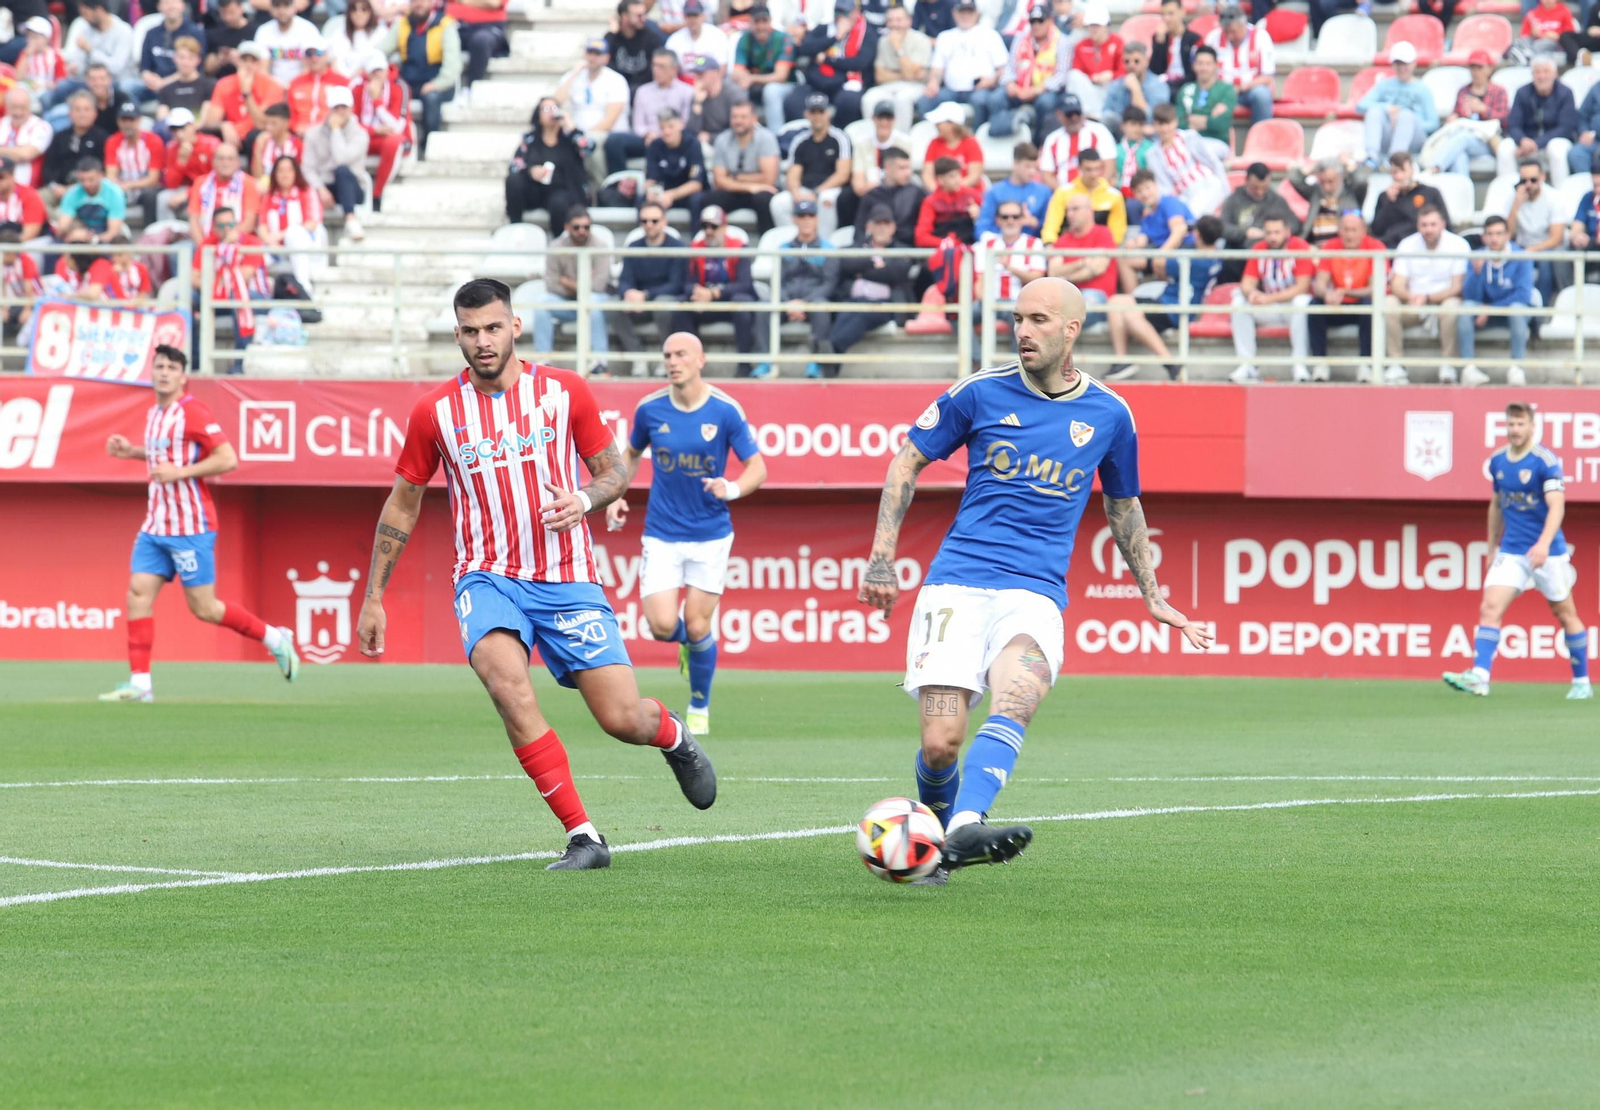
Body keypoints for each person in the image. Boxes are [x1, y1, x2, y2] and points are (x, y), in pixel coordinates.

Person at [356, 278, 719, 872]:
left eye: (492, 327)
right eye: (470, 331)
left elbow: (612, 473)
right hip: (485, 576)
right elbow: (403, 502)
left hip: (566, 576)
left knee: (622, 719)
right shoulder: (434, 413)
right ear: (457, 335)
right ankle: (584, 836)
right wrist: (374, 596)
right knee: (508, 686)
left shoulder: (564, 392)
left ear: (514, 326)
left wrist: (583, 498)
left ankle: (672, 736)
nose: (482, 341)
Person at [858, 276, 1209, 882]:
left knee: (1018, 695)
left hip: (1034, 594)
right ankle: (940, 835)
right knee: (942, 744)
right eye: (1018, 318)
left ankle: (966, 823)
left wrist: (1153, 594)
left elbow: (1123, 506)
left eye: (1039, 320)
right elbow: (906, 461)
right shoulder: (979, 394)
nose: (1022, 330)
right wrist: (882, 558)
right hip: (957, 586)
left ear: (1072, 330)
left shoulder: (1109, 413)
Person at [99, 345, 300, 704]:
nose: (163, 372)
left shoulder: (193, 412)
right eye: (158, 366)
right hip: (156, 525)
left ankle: (274, 638)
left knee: (204, 608)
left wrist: (180, 473)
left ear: (182, 376)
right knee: (137, 595)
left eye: (171, 367)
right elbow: (167, 452)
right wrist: (131, 452)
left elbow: (227, 458)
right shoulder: (156, 414)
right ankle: (141, 684)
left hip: (190, 525)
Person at [608, 331, 768, 733]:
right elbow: (629, 454)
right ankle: (688, 647)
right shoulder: (650, 410)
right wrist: (614, 493)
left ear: (701, 360)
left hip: (711, 535)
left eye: (681, 354)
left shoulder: (725, 411)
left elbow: (758, 469)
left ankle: (700, 705)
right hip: (662, 532)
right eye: (667, 355)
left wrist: (730, 488)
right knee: (662, 626)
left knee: (699, 625)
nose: (673, 361)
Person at [1442, 401, 1590, 700]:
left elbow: (1557, 505)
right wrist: (1492, 545)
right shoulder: (1497, 461)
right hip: (1511, 550)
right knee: (1489, 607)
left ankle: (1582, 681)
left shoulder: (1545, 461)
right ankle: (1480, 677)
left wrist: (1544, 543)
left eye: (1520, 424)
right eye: (1510, 424)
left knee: (1564, 613)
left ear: (1532, 427)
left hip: (1548, 551)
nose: (1515, 430)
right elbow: (1496, 505)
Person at [1105, 210, 1219, 380]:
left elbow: (1159, 261)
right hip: (1167, 301)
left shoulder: (1198, 259)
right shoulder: (1215, 257)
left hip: (1173, 308)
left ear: (1198, 234)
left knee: (1129, 314)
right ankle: (1122, 361)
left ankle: (1169, 363)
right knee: (1116, 301)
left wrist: (1177, 235)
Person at [679, 203, 768, 376]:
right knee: (681, 309)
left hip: (729, 299)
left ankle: (744, 364)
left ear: (724, 227)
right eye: (705, 226)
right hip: (704, 302)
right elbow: (686, 283)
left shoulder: (738, 248)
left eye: (714, 226)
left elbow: (745, 284)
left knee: (743, 304)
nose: (709, 231)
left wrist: (714, 293)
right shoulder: (696, 249)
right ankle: (689, 364)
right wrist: (697, 292)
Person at [1385, 205, 1468, 384]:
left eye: (1432, 224)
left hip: (1443, 301)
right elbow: (1396, 283)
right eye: (1424, 225)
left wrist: (1428, 297)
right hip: (1414, 303)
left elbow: (1457, 287)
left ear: (1442, 225)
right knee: (1388, 303)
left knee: (1451, 307)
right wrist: (1409, 296)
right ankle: (1395, 364)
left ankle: (1448, 365)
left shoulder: (1458, 244)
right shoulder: (1407, 244)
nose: (1428, 229)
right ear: (1418, 226)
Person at [1229, 213, 1313, 382]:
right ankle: (1247, 365)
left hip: (1291, 307)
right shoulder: (1259, 249)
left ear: (1287, 232)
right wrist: (1252, 294)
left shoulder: (1300, 247)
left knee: (1302, 303)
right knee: (1239, 302)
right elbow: (1247, 282)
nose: (1273, 237)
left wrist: (1269, 299)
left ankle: (1299, 364)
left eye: (1277, 232)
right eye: (1269, 233)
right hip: (1271, 306)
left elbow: (1302, 287)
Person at [534, 206, 615, 376]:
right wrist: (582, 286)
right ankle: (543, 359)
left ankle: (600, 362)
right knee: (541, 303)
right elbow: (551, 284)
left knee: (593, 301)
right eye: (577, 227)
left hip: (596, 303)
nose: (582, 231)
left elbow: (599, 285)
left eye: (586, 227)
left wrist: (568, 283)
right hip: (568, 302)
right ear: (567, 227)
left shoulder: (601, 246)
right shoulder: (556, 247)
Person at [829, 202, 913, 367]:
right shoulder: (857, 247)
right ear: (869, 226)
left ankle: (831, 348)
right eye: (878, 223)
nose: (882, 228)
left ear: (893, 227)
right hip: (854, 301)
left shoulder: (902, 250)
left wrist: (862, 269)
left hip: (885, 305)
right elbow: (846, 264)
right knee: (847, 312)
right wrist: (875, 265)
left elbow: (897, 272)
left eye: (886, 224)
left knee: (863, 314)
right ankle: (832, 357)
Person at [1457, 215, 1534, 387]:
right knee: (1465, 309)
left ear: (1507, 235)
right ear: (1484, 237)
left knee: (1517, 309)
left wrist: (1491, 308)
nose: (1494, 238)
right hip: (1485, 312)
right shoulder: (1477, 257)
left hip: (1509, 312)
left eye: (1499, 233)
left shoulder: (1521, 257)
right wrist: (1476, 274)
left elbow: (1523, 295)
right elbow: (1471, 296)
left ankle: (1516, 367)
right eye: (1490, 234)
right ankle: (1468, 369)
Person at [377, 0, 459, 160]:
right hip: (410, 81)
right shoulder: (402, 24)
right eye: (414, 1)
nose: (418, 4)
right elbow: (381, 51)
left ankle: (429, 147)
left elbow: (452, 67)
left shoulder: (445, 25)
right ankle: (399, 143)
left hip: (437, 81)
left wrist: (435, 84)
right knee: (393, 92)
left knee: (431, 98)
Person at [1308, 209, 1383, 381]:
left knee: (1370, 307)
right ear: (1339, 230)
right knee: (1314, 306)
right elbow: (1319, 282)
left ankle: (1366, 365)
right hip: (1337, 303)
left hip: (1360, 304)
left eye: (1354, 230)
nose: (1349, 235)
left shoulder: (1375, 247)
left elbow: (1375, 288)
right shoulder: (1330, 247)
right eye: (1346, 230)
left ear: (1364, 231)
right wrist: (1327, 294)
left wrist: (1345, 292)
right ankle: (1320, 363)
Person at [981, 2, 1069, 139]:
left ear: (1050, 21)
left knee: (1046, 103)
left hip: (1044, 91)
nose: (1036, 25)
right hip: (1020, 89)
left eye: (1040, 21)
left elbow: (1062, 76)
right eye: (1032, 21)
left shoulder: (1062, 41)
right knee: (995, 98)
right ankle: (1001, 136)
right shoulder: (1021, 38)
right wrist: (1010, 84)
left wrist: (1037, 90)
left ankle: (1038, 144)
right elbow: (1009, 68)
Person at [786, 1, 878, 128]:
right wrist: (835, 37)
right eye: (837, 12)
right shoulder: (825, 29)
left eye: (845, 13)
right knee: (794, 101)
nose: (840, 16)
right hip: (816, 84)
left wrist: (827, 60)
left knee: (849, 101)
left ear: (855, 13)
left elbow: (859, 63)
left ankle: (839, 138)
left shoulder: (866, 33)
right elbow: (805, 48)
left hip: (845, 84)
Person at [694, 99, 779, 231]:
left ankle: (766, 246)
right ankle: (710, 243)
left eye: (743, 117)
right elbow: (719, 181)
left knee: (764, 198)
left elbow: (769, 179)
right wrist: (751, 186)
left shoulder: (766, 138)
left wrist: (738, 178)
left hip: (759, 193)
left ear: (754, 119)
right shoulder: (722, 139)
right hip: (735, 191)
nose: (738, 121)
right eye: (735, 117)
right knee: (709, 199)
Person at [776, 198, 840, 375]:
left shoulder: (828, 249)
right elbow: (777, 281)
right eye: (801, 215)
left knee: (821, 307)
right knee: (764, 307)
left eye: (810, 215)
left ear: (817, 219)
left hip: (814, 301)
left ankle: (816, 362)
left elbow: (830, 283)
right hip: (787, 301)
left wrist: (805, 303)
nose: (806, 220)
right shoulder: (783, 248)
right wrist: (787, 302)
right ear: (794, 220)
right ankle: (765, 360)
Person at [771, 93, 851, 233]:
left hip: (829, 189)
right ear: (806, 114)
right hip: (805, 189)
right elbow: (793, 174)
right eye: (813, 112)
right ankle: (793, 244)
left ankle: (824, 247)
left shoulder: (840, 138)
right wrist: (796, 193)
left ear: (828, 113)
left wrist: (816, 192)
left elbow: (842, 175)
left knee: (826, 201)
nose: (817, 116)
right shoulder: (800, 140)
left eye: (821, 111)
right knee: (779, 203)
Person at [916, 0, 1006, 123]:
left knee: (980, 101)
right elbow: (937, 67)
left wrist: (992, 80)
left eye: (969, 11)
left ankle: (977, 138)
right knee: (926, 100)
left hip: (980, 89)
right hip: (951, 90)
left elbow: (1004, 68)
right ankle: (930, 138)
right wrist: (933, 83)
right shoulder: (945, 37)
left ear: (977, 13)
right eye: (962, 11)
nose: (965, 15)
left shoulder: (990, 34)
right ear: (954, 13)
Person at [608, 50, 693, 178]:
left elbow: (685, 122)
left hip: (674, 137)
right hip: (648, 138)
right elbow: (638, 125)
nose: (656, 70)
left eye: (661, 67)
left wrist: (663, 134)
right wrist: (648, 134)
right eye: (654, 65)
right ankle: (619, 186)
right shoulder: (643, 91)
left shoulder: (687, 92)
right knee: (614, 141)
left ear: (674, 69)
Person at [505, 98, 587, 229]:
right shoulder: (530, 139)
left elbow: (588, 148)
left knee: (559, 203)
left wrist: (571, 127)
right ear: (538, 115)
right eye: (546, 109)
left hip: (563, 191)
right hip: (535, 191)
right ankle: (515, 227)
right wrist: (530, 171)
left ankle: (558, 243)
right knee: (513, 181)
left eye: (554, 109)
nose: (551, 113)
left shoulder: (570, 139)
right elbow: (515, 165)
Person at [1425, 51, 1509, 177]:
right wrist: (1453, 118)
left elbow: (1505, 119)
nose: (1475, 72)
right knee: (1459, 156)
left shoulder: (1499, 91)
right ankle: (1463, 192)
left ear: (1489, 69)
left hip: (1489, 141)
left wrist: (1483, 110)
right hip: (1464, 139)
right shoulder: (1463, 91)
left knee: (1462, 138)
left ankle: (1434, 168)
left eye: (1479, 68)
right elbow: (1457, 114)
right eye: (1472, 67)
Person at [303, 86, 370, 239]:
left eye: (344, 107)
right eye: (336, 107)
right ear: (329, 109)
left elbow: (342, 158)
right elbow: (307, 168)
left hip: (352, 188)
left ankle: (351, 220)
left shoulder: (360, 134)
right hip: (325, 186)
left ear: (351, 108)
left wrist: (335, 130)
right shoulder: (313, 134)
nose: (340, 111)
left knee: (342, 171)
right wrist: (320, 188)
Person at [1358, 41, 1437, 166]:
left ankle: (1395, 162)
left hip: (1414, 138)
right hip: (1389, 133)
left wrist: (1406, 122)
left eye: (1405, 63)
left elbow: (1433, 123)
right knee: (1374, 111)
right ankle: (1371, 157)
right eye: (1398, 63)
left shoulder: (1423, 90)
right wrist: (1386, 108)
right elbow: (1360, 106)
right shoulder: (1384, 85)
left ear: (1413, 64)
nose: (1401, 68)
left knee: (1406, 116)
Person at [1148, 101, 1227, 220]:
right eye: (1159, 124)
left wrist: (1226, 190)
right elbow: (1164, 185)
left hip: (1206, 183)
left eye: (1167, 123)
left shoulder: (1189, 137)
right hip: (1184, 194)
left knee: (1191, 217)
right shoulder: (1153, 154)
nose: (1164, 129)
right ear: (1154, 125)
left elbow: (1213, 159)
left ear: (1175, 122)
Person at [1507, 56, 1577, 187]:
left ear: (1555, 73)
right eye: (1537, 72)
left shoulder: (1565, 93)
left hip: (1554, 140)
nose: (1541, 76)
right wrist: (1522, 139)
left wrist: (1536, 143)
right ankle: (1508, 193)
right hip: (1527, 141)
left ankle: (1561, 193)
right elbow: (1514, 124)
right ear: (1532, 74)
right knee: (1505, 148)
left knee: (1557, 149)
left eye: (1546, 71)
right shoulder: (1522, 92)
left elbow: (1566, 128)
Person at [1046, 190, 1115, 323]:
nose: (1069, 214)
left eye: (1075, 209)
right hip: (1067, 297)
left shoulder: (1103, 233)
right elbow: (1053, 272)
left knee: (1068, 317)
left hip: (1097, 296)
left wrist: (1066, 278)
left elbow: (1097, 268)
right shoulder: (1063, 240)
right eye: (1068, 210)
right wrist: (1082, 263)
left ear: (1090, 210)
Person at [861, 3, 930, 134]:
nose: (894, 24)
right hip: (889, 85)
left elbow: (913, 75)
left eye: (898, 20)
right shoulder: (883, 41)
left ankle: (900, 141)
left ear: (909, 21)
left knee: (902, 99)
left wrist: (898, 47)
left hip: (915, 86)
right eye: (891, 20)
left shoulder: (921, 40)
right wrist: (905, 73)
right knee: (868, 98)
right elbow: (879, 76)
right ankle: (874, 139)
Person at [1507, 155, 1567, 305]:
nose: (1528, 184)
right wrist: (1515, 206)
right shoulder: (1514, 197)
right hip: (1521, 247)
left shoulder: (1554, 198)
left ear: (1542, 177)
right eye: (1523, 180)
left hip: (1546, 247)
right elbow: (1508, 234)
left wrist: (1531, 250)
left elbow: (1556, 238)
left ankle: (1542, 309)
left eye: (1533, 180)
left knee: (1545, 261)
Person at [258, 153, 324, 290]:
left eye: (289, 170)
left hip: (304, 245)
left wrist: (282, 235)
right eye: (281, 170)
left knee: (295, 233)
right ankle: (260, 294)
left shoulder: (307, 192)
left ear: (296, 172)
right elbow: (262, 226)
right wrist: (272, 242)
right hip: (275, 247)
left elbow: (311, 223)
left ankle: (304, 288)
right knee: (253, 256)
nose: (285, 174)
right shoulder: (269, 195)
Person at [204, 41, 285, 150]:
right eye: (244, 60)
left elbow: (262, 123)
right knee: (206, 133)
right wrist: (223, 125)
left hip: (254, 134)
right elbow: (211, 120)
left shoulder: (272, 85)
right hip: (231, 133)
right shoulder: (224, 84)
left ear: (259, 64)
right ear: (238, 62)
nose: (248, 65)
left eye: (253, 61)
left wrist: (247, 93)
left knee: (256, 135)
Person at [1116, 167, 1186, 290]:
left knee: (1159, 262)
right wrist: (1133, 244)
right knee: (1124, 260)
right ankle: (1132, 303)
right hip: (1158, 255)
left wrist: (1162, 254)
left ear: (1156, 185)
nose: (1145, 194)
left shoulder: (1169, 202)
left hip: (1182, 251)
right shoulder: (1147, 216)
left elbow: (1179, 230)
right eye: (1139, 191)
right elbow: (1143, 239)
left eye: (1147, 187)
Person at [1203, 4, 1273, 126]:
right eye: (1226, 31)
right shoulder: (1213, 38)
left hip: (1249, 89)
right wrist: (1224, 90)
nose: (1230, 35)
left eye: (1233, 31)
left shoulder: (1261, 37)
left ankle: (1261, 135)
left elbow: (1267, 77)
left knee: (1262, 95)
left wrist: (1242, 87)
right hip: (1220, 90)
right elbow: (1204, 70)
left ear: (1243, 25)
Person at [60, 0, 138, 105]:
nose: (84, 18)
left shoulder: (123, 31)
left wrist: (90, 50)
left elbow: (116, 68)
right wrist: (76, 68)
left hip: (116, 82)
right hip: (89, 81)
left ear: (99, 10)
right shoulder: (85, 29)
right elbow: (81, 63)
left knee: (120, 87)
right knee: (62, 87)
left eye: (86, 14)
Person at [40, 91, 110, 205]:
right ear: (70, 114)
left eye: (86, 109)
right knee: (38, 198)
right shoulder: (59, 137)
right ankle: (60, 219)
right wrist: (55, 187)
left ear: (95, 113)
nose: (82, 114)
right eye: (77, 109)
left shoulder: (103, 138)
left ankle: (64, 220)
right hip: (59, 189)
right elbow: (49, 167)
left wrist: (78, 187)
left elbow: (105, 170)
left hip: (89, 189)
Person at [1041, 146, 1123, 242]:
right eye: (1089, 169)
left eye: (1097, 169)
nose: (1094, 174)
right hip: (1068, 249)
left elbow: (1117, 232)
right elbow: (1051, 225)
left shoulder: (1114, 196)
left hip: (1101, 251)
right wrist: (1049, 244)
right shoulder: (1063, 192)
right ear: (1079, 168)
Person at [732, 6, 796, 129]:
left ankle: (776, 135)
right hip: (755, 84)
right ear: (750, 23)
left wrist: (751, 78)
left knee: (771, 90)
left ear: (770, 21)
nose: (761, 26)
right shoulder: (745, 38)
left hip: (786, 86)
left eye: (764, 21)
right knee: (738, 88)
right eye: (757, 22)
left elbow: (780, 76)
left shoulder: (782, 38)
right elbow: (736, 72)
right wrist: (745, 78)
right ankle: (742, 130)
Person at [1369, 151, 1446, 249]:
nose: (1399, 176)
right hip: (1391, 248)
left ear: (1412, 170)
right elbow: (1376, 230)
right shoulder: (1384, 197)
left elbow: (1445, 224)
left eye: (1403, 170)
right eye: (1395, 172)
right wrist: (1388, 202)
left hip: (1421, 246)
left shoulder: (1430, 193)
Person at [1036, 93, 1115, 187]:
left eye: (1077, 113)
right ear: (1059, 115)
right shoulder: (1052, 139)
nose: (1074, 118)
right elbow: (1047, 174)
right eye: (1069, 114)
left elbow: (1109, 165)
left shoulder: (1099, 131)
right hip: (1064, 195)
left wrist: (1098, 191)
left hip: (1096, 192)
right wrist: (1064, 194)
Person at [975, 140, 1051, 237]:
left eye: (1035, 167)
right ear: (1015, 164)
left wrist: (1035, 223)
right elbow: (982, 228)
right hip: (1001, 247)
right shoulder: (995, 192)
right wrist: (1006, 235)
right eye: (1027, 166)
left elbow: (1050, 229)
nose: (1032, 172)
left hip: (1033, 248)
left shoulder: (1043, 192)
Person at [853, 144, 924, 245]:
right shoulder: (872, 195)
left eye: (908, 168)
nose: (907, 173)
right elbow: (860, 229)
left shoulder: (916, 193)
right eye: (902, 168)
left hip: (907, 252)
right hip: (876, 250)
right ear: (887, 167)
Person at [188, 141, 258, 240]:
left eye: (230, 159)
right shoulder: (201, 183)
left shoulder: (248, 183)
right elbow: (194, 220)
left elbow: (249, 223)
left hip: (238, 242)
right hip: (206, 243)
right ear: (213, 161)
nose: (225, 163)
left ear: (238, 162)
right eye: (221, 159)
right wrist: (203, 247)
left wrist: (224, 245)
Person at [141, 0, 208, 99]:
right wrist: (149, 79)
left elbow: (196, 67)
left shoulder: (195, 33)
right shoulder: (151, 33)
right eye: (167, 2)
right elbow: (144, 67)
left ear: (183, 5)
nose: (171, 6)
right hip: (153, 84)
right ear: (159, 7)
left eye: (175, 2)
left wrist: (164, 83)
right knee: (128, 87)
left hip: (181, 83)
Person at [1100, 40, 1167, 138]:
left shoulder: (1158, 86)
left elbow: (1151, 118)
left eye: (1136, 61)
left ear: (1146, 62)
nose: (1131, 65)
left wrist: (1135, 89)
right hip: (1123, 132)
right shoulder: (1116, 85)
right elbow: (1106, 114)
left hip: (1148, 136)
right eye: (1127, 61)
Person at [446, 0, 510, 103]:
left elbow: (493, 3)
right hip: (456, 24)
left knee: (480, 41)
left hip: (489, 27)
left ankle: (470, 89)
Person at [1220, 160, 1291, 253]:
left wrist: (1274, 233)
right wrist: (1244, 232)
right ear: (1247, 181)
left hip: (1268, 255)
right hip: (1239, 253)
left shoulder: (1277, 201)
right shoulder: (1233, 200)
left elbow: (1293, 224)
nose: (1259, 192)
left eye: (1264, 188)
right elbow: (1221, 228)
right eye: (1255, 188)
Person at [643, 106, 704, 212]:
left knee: (696, 200)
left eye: (670, 127)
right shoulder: (655, 146)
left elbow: (696, 184)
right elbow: (650, 180)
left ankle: (695, 229)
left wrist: (671, 195)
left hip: (686, 193)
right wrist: (653, 193)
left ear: (680, 125)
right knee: (643, 201)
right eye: (662, 128)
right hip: (664, 193)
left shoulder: (692, 144)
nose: (666, 131)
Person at [1290, 158, 1363, 247]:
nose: (1326, 187)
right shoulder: (1315, 193)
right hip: (1316, 248)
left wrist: (1349, 167)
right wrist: (1312, 169)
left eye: (1331, 181)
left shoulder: (1351, 194)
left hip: (1342, 250)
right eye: (1322, 182)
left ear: (1341, 177)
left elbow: (1362, 181)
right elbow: (1294, 179)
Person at [850, 100, 913, 202]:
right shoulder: (861, 143)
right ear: (873, 119)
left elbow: (904, 175)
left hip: (896, 190)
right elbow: (858, 181)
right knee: (846, 197)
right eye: (880, 118)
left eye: (888, 118)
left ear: (894, 120)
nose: (884, 122)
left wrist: (876, 185)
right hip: (868, 192)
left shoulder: (905, 142)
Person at [1069, 1, 1122, 120]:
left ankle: (1099, 116)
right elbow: (1077, 71)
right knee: (1073, 76)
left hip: (1110, 88)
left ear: (1106, 26)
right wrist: (1093, 77)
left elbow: (1124, 70)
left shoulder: (1118, 42)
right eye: (1091, 26)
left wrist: (1111, 75)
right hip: (1090, 89)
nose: (1094, 29)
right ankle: (1086, 116)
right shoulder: (1081, 46)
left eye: (1097, 25)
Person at [1173, 45, 1235, 148]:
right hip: (1188, 141)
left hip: (1216, 142)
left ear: (1216, 65)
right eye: (1200, 63)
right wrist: (1209, 118)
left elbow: (1221, 124)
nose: (1204, 68)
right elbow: (1178, 122)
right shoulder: (1186, 89)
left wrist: (1191, 119)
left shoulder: (1226, 90)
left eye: (1208, 64)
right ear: (1194, 65)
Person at [56, 155, 127, 243]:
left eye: (91, 179)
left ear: (101, 175)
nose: (86, 184)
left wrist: (92, 239)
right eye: (82, 180)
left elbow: (113, 233)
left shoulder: (114, 193)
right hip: (80, 233)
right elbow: (63, 226)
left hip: (105, 236)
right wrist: (66, 231)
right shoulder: (72, 193)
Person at [915, 155, 982, 246]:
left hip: (971, 249)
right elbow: (921, 237)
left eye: (959, 174)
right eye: (952, 176)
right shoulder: (931, 202)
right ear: (940, 180)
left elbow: (990, 224)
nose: (958, 180)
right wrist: (943, 243)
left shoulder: (972, 196)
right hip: (944, 253)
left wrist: (979, 215)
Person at [607, 0, 666, 96]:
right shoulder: (613, 37)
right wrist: (611, 33)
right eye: (639, 16)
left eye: (644, 14)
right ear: (624, 16)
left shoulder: (652, 37)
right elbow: (601, 59)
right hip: (616, 92)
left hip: (644, 92)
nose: (644, 19)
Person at [0, 85, 54, 191]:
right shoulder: (1, 123)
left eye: (22, 107)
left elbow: (26, 154)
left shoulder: (42, 127)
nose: (18, 112)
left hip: (29, 190)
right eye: (14, 107)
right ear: (6, 106)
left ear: (30, 106)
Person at [254, 0, 321, 84]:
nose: (282, 11)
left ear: (294, 7)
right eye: (277, 6)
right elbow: (262, 68)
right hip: (273, 86)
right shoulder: (264, 31)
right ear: (271, 9)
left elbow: (309, 66)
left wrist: (293, 87)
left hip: (302, 85)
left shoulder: (307, 29)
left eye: (286, 6)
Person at [157, 36, 215, 127]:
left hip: (198, 134)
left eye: (190, 58)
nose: (185, 62)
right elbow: (162, 119)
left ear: (198, 60)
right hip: (173, 132)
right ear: (174, 58)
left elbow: (204, 121)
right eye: (181, 57)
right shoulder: (166, 89)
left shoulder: (209, 86)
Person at [686, 58, 746, 143]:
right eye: (696, 74)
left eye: (701, 73)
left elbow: (741, 129)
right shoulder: (698, 94)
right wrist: (697, 103)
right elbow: (691, 132)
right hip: (706, 144)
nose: (698, 78)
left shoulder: (733, 94)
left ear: (716, 73)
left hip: (732, 144)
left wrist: (712, 138)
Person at [1151, 0, 1200, 100]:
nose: (1166, 19)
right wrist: (1159, 44)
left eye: (1170, 14)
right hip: (1162, 84)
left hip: (1185, 85)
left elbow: (1194, 73)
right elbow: (1155, 70)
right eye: (1163, 14)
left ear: (1182, 12)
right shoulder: (1159, 38)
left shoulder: (1194, 39)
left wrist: (1175, 82)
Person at [326, 0, 388, 79]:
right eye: (354, 10)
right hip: (343, 81)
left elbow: (378, 61)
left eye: (364, 9)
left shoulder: (380, 33)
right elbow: (335, 61)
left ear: (370, 12)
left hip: (368, 80)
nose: (359, 14)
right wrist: (348, 78)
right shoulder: (340, 33)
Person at [205, 0, 260, 80]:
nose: (228, 18)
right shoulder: (214, 33)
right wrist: (219, 59)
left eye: (232, 12)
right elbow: (208, 69)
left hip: (248, 79)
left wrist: (241, 59)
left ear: (241, 8)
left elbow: (262, 63)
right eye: (224, 13)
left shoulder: (256, 31)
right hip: (221, 80)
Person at [1514, 0, 1577, 65]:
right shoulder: (1532, 13)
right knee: (1521, 41)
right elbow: (1524, 35)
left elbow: (1571, 36)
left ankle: (1525, 57)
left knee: (1543, 44)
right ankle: (1525, 55)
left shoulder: (1564, 11)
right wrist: (1533, 34)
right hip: (1535, 41)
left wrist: (1558, 36)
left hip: (1556, 44)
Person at [249, 101, 302, 178]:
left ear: (286, 123)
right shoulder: (262, 143)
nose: (268, 127)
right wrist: (258, 151)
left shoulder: (297, 145)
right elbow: (257, 178)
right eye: (266, 123)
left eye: (273, 123)